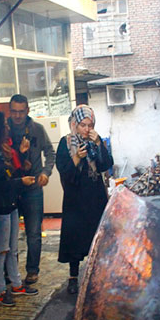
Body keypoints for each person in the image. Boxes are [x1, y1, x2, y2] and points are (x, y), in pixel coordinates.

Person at [0, 110, 39, 306]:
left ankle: (16, 284)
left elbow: (12, 175)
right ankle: (1, 289)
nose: (7, 127)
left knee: (13, 248)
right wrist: (20, 181)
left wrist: (21, 158)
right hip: (0, 207)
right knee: (2, 250)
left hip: (11, 203)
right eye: (4, 124)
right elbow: (1, 184)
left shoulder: (3, 149)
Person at [56, 105, 114, 294]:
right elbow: (64, 171)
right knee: (75, 238)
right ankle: (73, 277)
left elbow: (106, 164)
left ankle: (97, 276)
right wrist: (77, 158)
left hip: (95, 196)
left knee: (96, 236)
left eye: (90, 125)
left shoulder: (95, 142)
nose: (87, 129)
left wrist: (99, 144)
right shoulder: (65, 143)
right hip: (75, 198)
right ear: (74, 124)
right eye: (83, 125)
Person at [7, 94, 56, 285]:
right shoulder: (5, 130)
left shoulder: (37, 129)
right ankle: (10, 273)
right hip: (11, 187)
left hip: (34, 188)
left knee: (33, 232)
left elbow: (50, 153)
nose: (18, 116)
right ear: (9, 111)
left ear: (28, 111)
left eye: (21, 111)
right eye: (14, 112)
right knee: (9, 236)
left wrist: (46, 172)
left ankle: (32, 271)